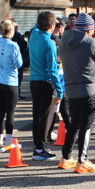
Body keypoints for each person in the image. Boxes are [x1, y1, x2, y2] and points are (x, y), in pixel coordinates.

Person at [57, 13, 95, 172]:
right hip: (89, 89)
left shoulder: (63, 42)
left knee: (74, 124)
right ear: (89, 29)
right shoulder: (90, 42)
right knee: (86, 127)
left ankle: (66, 157)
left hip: (71, 89)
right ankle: (82, 160)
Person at [28, 11, 63, 161]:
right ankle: (40, 149)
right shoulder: (49, 44)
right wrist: (59, 90)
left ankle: (38, 146)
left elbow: (37, 26)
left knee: (37, 115)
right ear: (52, 25)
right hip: (45, 82)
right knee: (45, 117)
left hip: (34, 81)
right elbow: (53, 70)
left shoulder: (34, 35)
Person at [0, 19, 23, 147]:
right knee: (10, 111)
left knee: (1, 110)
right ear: (11, 31)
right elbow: (18, 63)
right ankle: (9, 138)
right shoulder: (13, 45)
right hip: (11, 81)